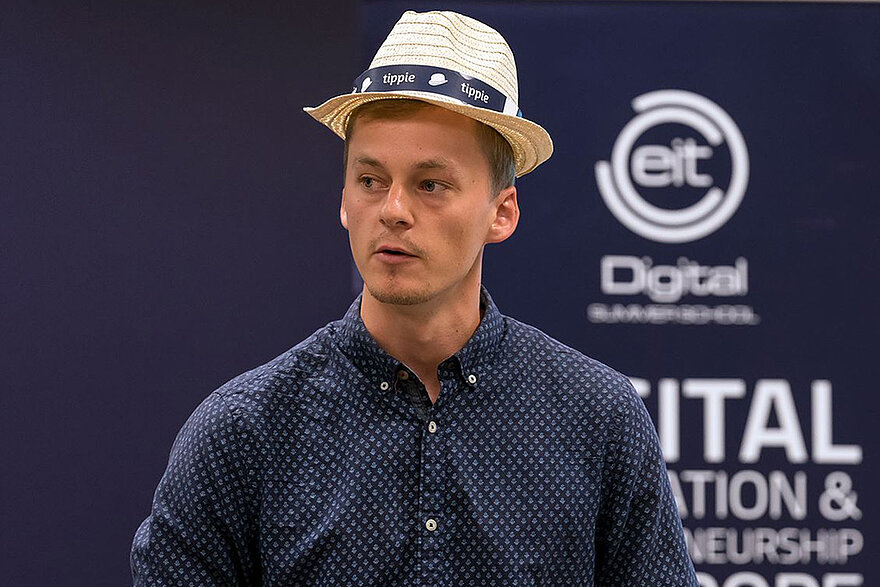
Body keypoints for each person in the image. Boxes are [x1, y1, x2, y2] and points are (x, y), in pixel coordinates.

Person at [131, 10, 697, 586]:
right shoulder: (243, 431)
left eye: (431, 184)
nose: (394, 210)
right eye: (370, 180)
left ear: (502, 213)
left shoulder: (597, 417)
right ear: (344, 201)